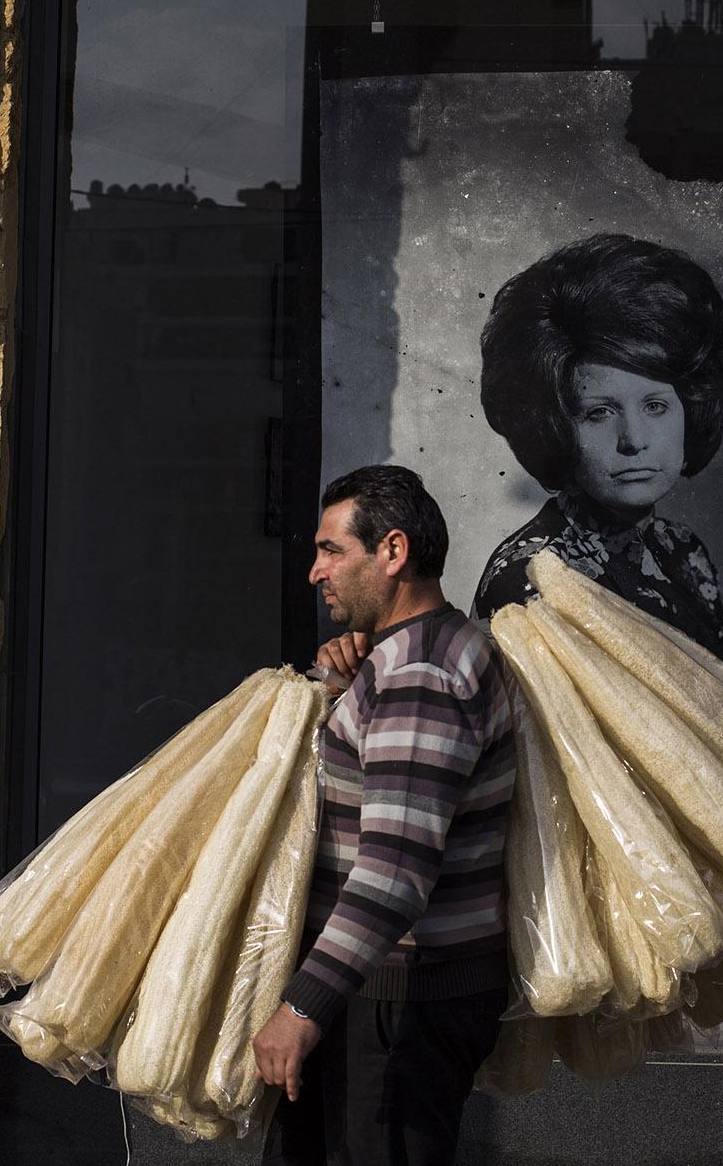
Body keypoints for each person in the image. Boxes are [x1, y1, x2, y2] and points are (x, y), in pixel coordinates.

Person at [255, 464, 515, 1166]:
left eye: (332, 550)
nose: (315, 571)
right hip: (385, 994)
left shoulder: (422, 676)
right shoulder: (408, 658)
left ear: (393, 552)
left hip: (397, 1003)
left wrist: (302, 1007)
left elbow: (396, 870)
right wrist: (347, 689)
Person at [470, 233, 723, 659]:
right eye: (599, 413)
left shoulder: (683, 551)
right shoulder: (531, 579)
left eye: (655, 406)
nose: (633, 440)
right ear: (554, 425)